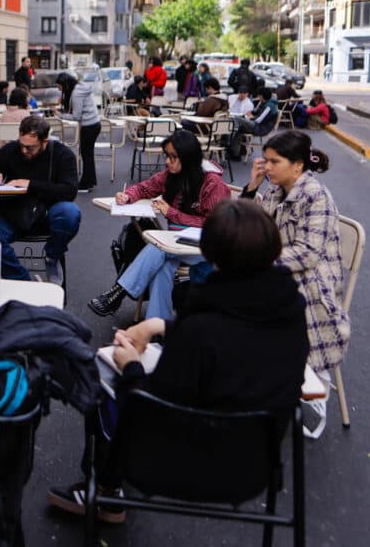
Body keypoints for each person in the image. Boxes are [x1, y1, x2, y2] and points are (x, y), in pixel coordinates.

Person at [49, 198, 309, 523]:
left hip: (177, 465)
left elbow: (151, 405)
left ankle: (106, 491)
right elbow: (236, 337)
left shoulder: (202, 326)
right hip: (255, 466)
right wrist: (162, 325)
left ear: (212, 255)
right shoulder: (290, 310)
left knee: (102, 377)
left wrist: (130, 365)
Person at [241, 130, 350, 381]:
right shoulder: (274, 190)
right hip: (281, 277)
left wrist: (255, 262)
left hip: (311, 288)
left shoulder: (316, 195)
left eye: (274, 161)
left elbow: (307, 254)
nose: (267, 166)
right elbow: (248, 230)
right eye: (265, 160)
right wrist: (251, 188)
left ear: (298, 166)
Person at [89, 130, 230, 318]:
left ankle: (119, 291)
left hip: (207, 247)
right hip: (176, 243)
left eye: (173, 157)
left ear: (188, 158)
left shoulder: (212, 184)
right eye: (167, 156)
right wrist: (128, 195)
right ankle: (159, 329)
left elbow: (213, 224)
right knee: (163, 263)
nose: (167, 161)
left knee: (159, 246)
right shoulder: (172, 175)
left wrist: (171, 212)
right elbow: (144, 187)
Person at [0, 116, 80, 285]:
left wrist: (29, 185)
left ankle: (52, 256)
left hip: (47, 215)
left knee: (70, 212)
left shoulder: (62, 154)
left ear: (44, 142)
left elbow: (69, 191)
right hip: (12, 214)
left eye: (30, 148)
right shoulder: (12, 150)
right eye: (22, 145)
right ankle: (26, 284)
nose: (24, 150)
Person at [56, 72, 101, 192]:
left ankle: (86, 184)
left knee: (86, 155)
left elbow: (76, 116)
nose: (58, 89)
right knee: (88, 155)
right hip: (93, 124)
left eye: (59, 86)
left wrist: (60, 116)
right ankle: (90, 182)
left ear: (65, 84)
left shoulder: (76, 94)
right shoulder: (78, 89)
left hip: (89, 125)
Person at [229, 86, 278, 160]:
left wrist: (251, 117)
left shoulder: (269, 106)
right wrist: (251, 112)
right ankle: (235, 153)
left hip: (261, 128)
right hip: (258, 125)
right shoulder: (266, 103)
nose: (258, 97)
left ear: (261, 96)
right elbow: (258, 111)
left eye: (259, 95)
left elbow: (259, 120)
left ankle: (234, 151)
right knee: (239, 129)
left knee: (236, 118)